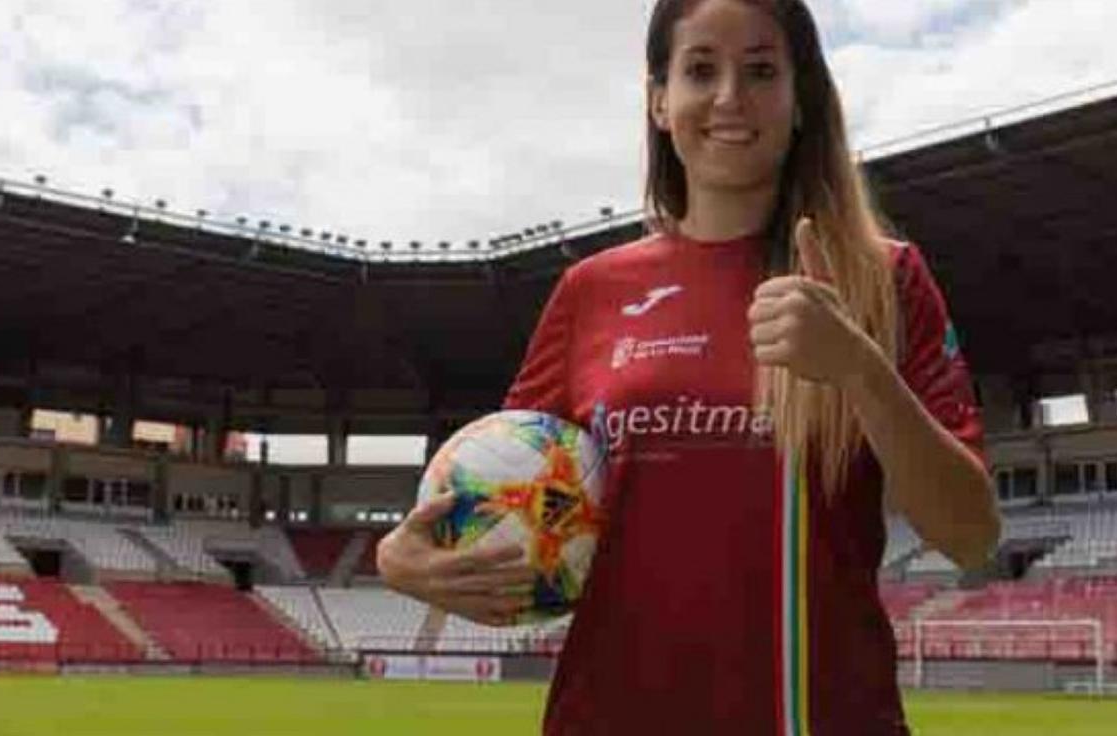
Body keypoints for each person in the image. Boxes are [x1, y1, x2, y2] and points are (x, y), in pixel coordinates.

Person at [378, 0, 1000, 733]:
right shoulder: (590, 292)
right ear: (659, 101)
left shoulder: (882, 278)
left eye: (762, 70)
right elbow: (509, 485)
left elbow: (971, 535)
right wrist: (399, 557)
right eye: (701, 69)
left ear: (801, 100)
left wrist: (860, 370)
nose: (731, 97)